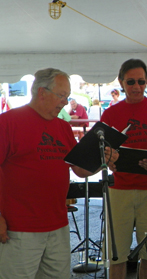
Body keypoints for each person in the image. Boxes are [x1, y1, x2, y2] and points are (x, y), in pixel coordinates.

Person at [0, 68, 117, 278]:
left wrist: (102, 161)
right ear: (41, 92)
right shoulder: (7, 123)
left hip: (58, 225)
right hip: (19, 227)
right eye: (61, 95)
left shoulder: (63, 127)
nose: (65, 102)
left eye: (67, 96)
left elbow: (80, 170)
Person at [100, 58, 147, 279]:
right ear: (121, 82)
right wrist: (108, 159)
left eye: (141, 81)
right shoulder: (110, 114)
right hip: (120, 190)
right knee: (117, 254)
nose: (136, 87)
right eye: (131, 81)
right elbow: (103, 152)